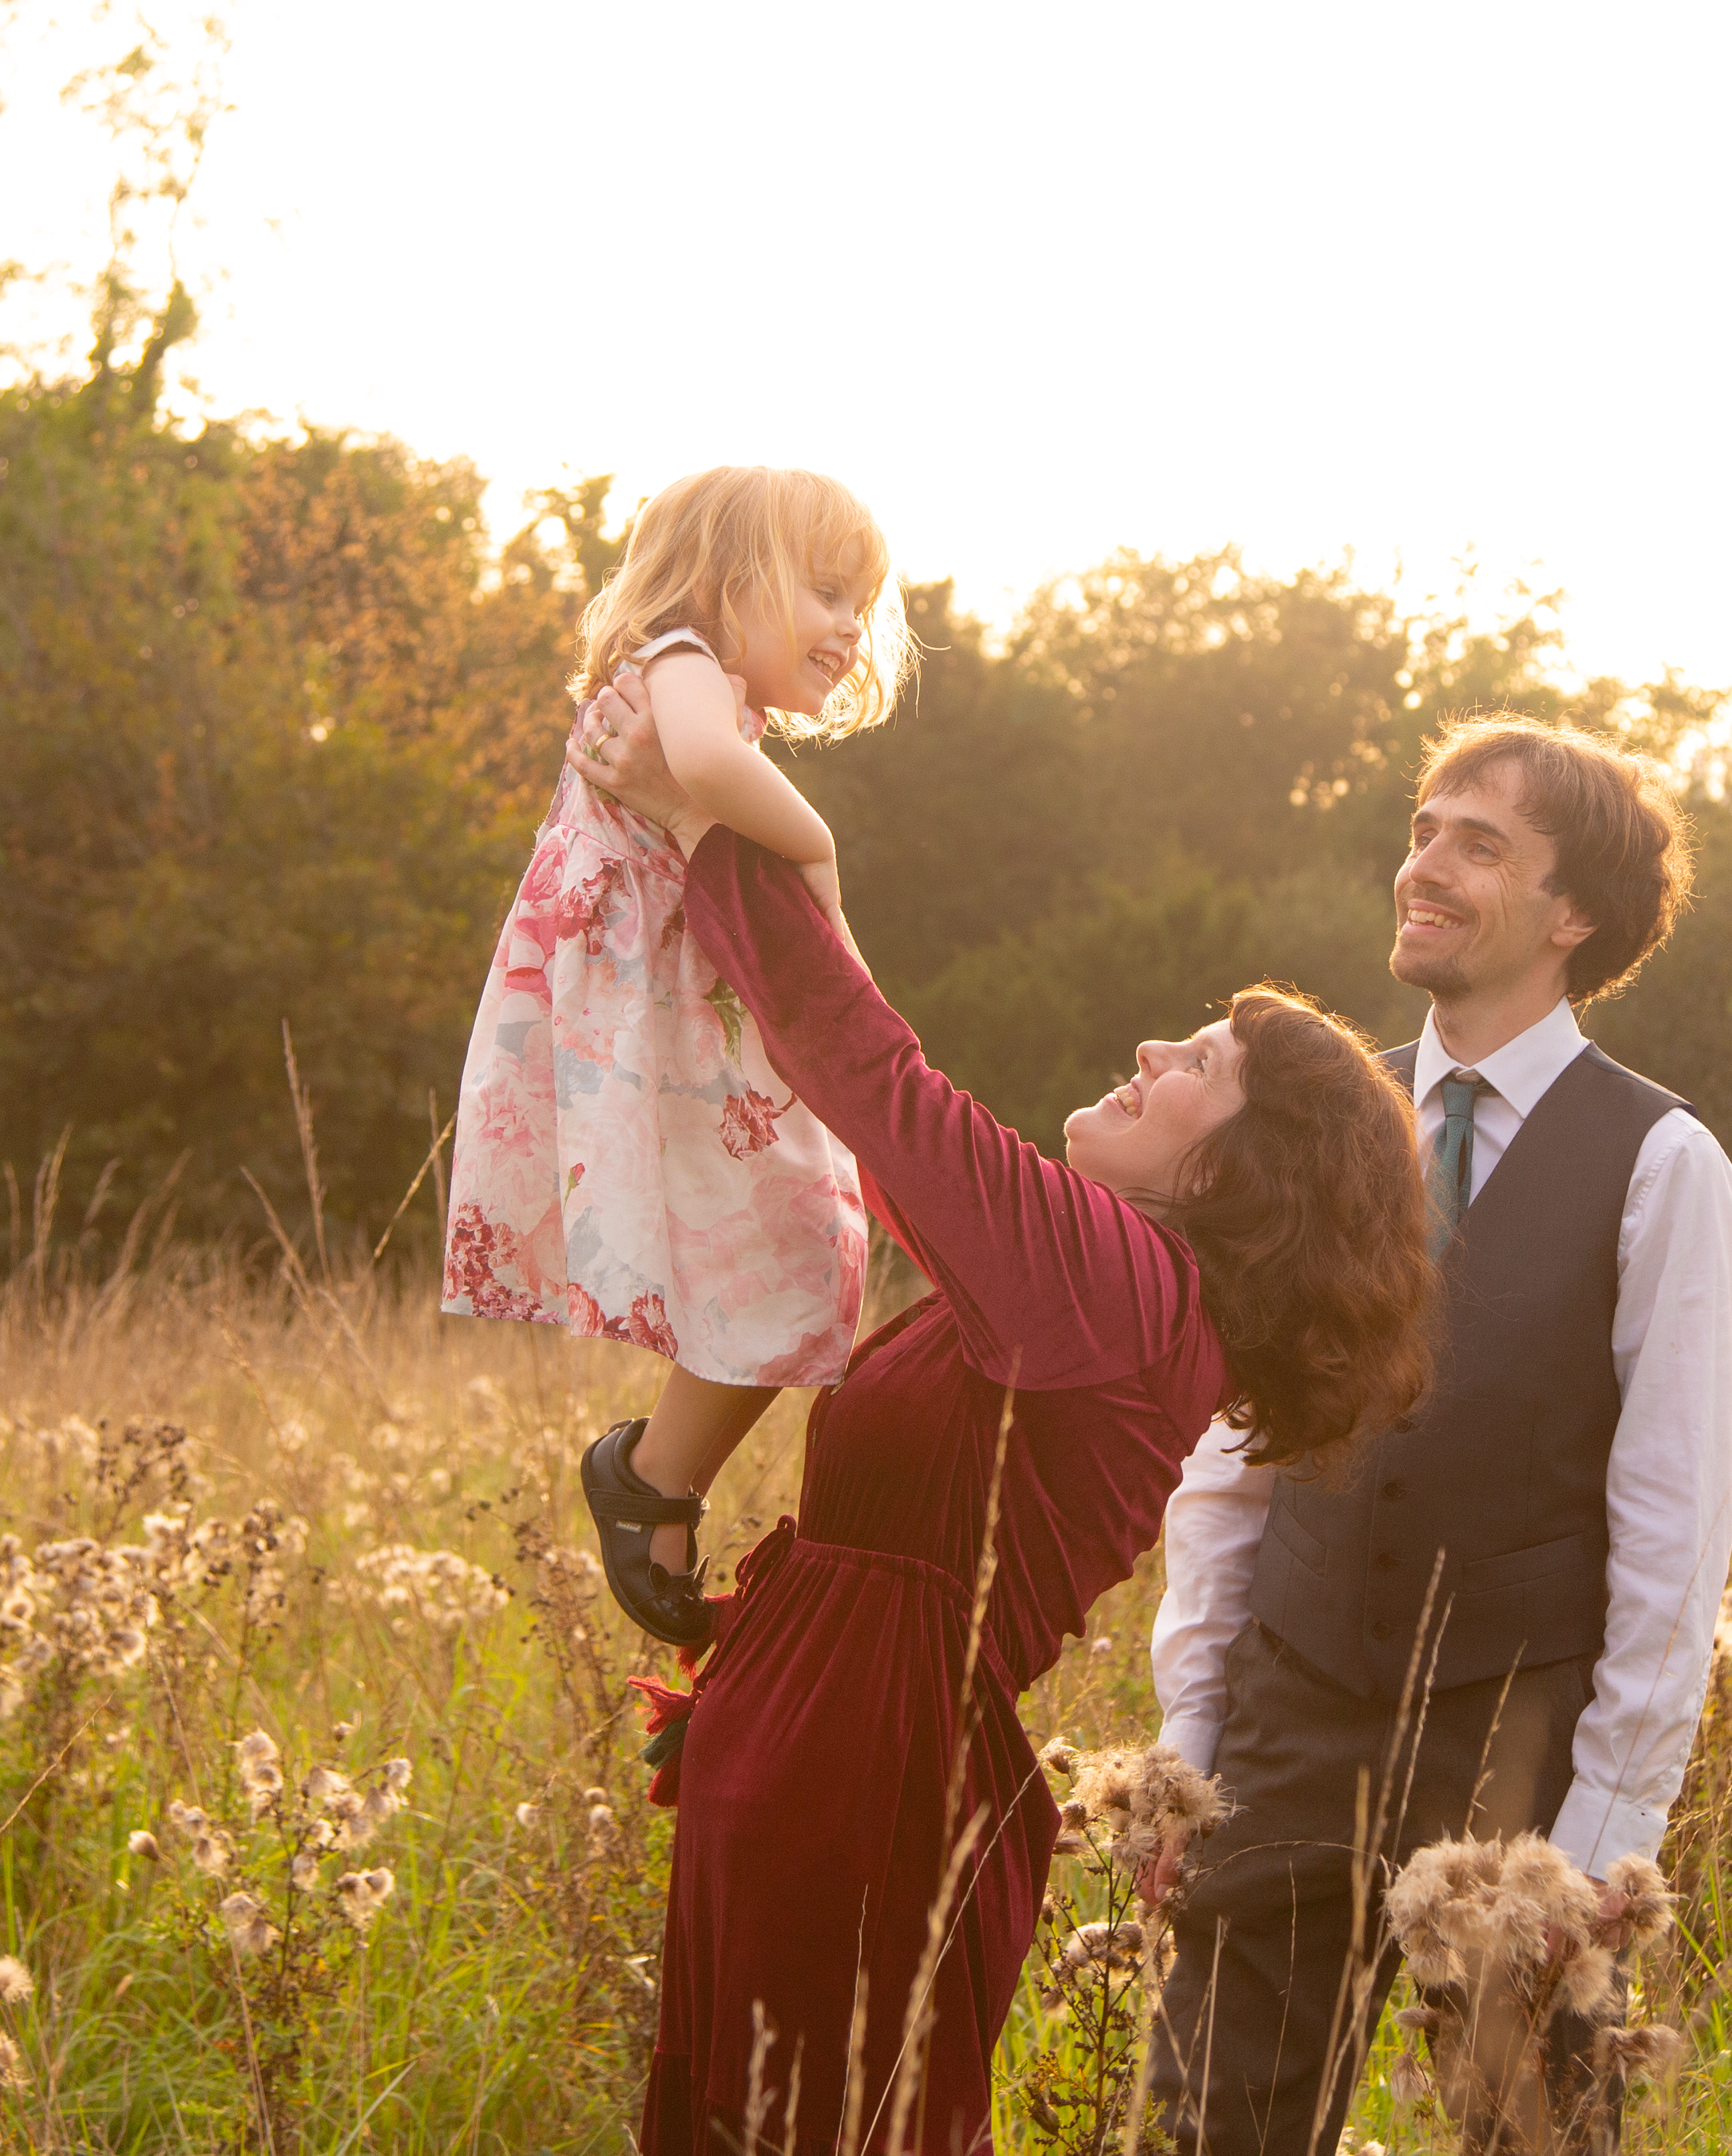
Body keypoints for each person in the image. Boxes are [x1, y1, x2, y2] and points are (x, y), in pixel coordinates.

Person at [569, 673, 1438, 2156]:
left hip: (870, 1787)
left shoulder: (1123, 1293)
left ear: (1238, 1176)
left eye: (1202, 1065)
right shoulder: (1097, 1293)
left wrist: (701, 817)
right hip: (827, 1756)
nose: (1157, 1054)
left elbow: (876, 1083)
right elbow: (851, 1132)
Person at [1143, 716, 1732, 2156]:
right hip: (1287, 1722)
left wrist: (1606, 1830)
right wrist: (1193, 1734)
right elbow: (1231, 1458)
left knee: (1532, 2136)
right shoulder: (1315, 1127)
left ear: (1573, 913)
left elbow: (1675, 1522)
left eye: (1480, 844)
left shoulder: (1664, 1165)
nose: (1425, 864)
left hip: (1513, 1749)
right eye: (1424, 830)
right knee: (1204, 2132)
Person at [441, 466, 911, 1648]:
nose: (850, 627)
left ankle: (653, 1479)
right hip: (650, 1027)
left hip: (670, 1021)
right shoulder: (683, 658)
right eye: (823, 591)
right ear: (723, 578)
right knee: (800, 1239)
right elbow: (701, 765)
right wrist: (823, 845)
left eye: (860, 602)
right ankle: (654, 1479)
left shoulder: (692, 678)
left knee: (800, 1248)